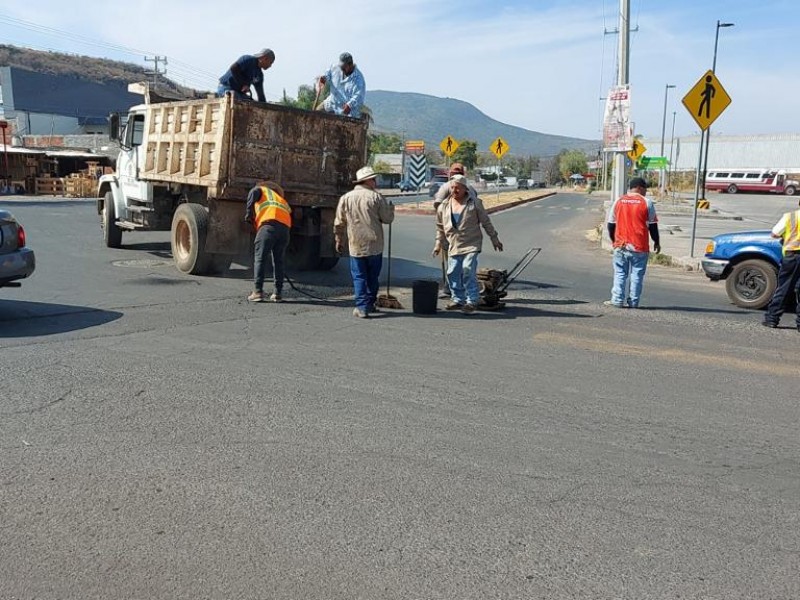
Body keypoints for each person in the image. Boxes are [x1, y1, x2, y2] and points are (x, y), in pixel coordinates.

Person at [433, 174, 503, 314]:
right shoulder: (444, 206)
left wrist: (494, 239)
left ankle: (472, 300)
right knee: (452, 273)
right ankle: (458, 299)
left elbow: (486, 222)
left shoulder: (474, 203)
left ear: (465, 189)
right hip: (454, 244)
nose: (454, 190)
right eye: (452, 187)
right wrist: (438, 244)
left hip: (472, 243)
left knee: (467, 270)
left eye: (458, 188)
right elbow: (440, 227)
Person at [334, 166, 395, 318]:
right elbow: (388, 219)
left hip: (356, 244)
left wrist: (338, 239)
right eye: (373, 179)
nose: (375, 181)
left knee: (359, 276)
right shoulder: (377, 198)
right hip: (375, 244)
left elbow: (339, 222)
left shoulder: (346, 198)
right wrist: (391, 210)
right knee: (372, 276)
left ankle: (362, 307)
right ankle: (369, 303)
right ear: (367, 181)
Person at [605, 177, 660, 308]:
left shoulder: (618, 201)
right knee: (637, 274)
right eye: (645, 189)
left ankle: (617, 300)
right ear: (640, 188)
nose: (646, 192)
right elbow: (653, 226)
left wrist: (614, 241)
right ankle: (634, 302)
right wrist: (656, 242)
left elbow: (611, 224)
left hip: (621, 245)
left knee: (620, 273)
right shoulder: (647, 202)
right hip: (639, 246)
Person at [433, 163, 478, 297]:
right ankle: (459, 289)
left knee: (455, 263)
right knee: (462, 264)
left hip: (459, 233)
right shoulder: (466, 188)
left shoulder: (448, 186)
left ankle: (454, 290)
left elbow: (437, 204)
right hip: (460, 233)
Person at [245, 181, 292, 303]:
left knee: (260, 258)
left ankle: (258, 292)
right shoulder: (282, 200)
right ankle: (278, 293)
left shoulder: (262, 190)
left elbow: (254, 191)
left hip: (268, 226)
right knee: (278, 261)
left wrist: (249, 213)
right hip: (285, 230)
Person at [762, 200, 800, 329]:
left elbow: (774, 234)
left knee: (784, 288)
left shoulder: (790, 216)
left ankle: (772, 319)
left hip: (792, 257)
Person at [316, 52, 366, 118]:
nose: (342, 69)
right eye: (341, 66)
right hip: (331, 103)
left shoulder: (359, 80)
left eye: (344, 67)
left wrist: (349, 105)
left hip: (346, 112)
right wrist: (324, 78)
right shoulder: (334, 67)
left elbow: (358, 97)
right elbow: (328, 74)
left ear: (350, 65)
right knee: (316, 114)